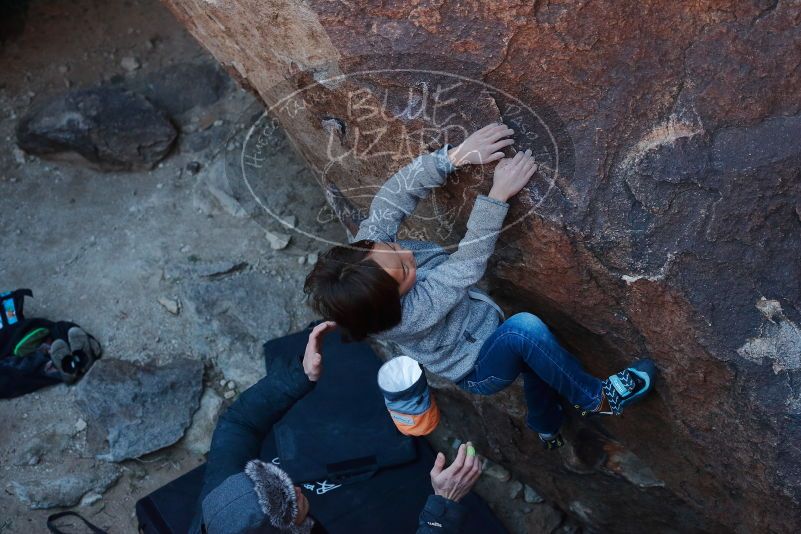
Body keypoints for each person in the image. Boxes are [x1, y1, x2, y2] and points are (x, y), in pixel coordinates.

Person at [304, 123, 657, 449]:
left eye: (392, 246)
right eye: (403, 267)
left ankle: (545, 423)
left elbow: (394, 196)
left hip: (484, 325)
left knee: (535, 361)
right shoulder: (410, 314)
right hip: (477, 368)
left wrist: (455, 156)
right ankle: (597, 399)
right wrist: (497, 196)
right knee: (524, 332)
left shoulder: (370, 255)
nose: (404, 250)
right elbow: (466, 264)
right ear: (392, 301)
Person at [190, 321, 483, 534]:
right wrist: (443, 506)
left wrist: (298, 376)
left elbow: (238, 424)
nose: (295, 486)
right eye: (288, 502)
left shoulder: (220, 499)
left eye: (281, 482)